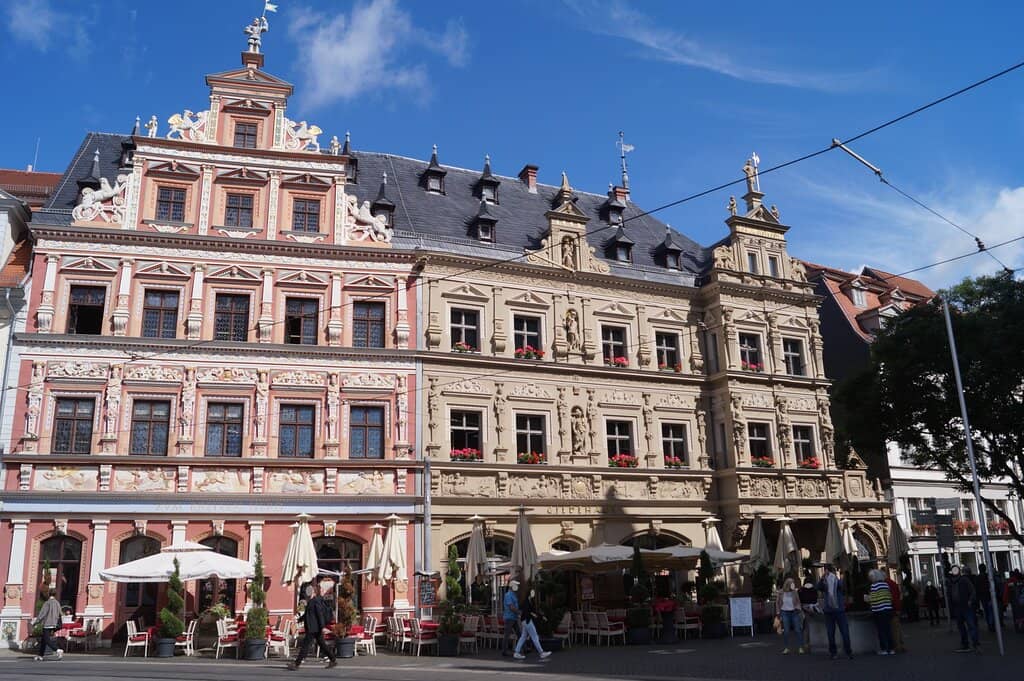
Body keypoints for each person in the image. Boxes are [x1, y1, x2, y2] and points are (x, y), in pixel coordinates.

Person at [287, 583, 337, 670]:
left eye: (309, 591)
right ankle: (333, 660)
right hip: (314, 628)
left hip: (313, 628)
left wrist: (322, 627)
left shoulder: (315, 601)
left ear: (313, 592)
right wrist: (300, 619)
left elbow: (319, 615)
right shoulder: (311, 601)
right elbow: (308, 614)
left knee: (305, 646)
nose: (307, 593)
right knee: (322, 644)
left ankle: (296, 664)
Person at [817, 564, 853, 660]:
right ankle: (841, 652)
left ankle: (843, 652)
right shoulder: (826, 583)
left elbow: (841, 586)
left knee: (838, 632)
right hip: (833, 610)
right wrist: (823, 579)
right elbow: (819, 587)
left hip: (835, 610)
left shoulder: (835, 582)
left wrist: (833, 578)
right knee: (835, 632)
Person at [513, 587, 551, 661]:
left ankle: (516, 652)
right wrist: (538, 616)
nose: (533, 594)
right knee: (534, 636)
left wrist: (541, 616)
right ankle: (541, 652)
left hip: (525, 621)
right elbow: (529, 612)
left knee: (523, 637)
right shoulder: (527, 602)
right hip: (527, 621)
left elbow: (533, 611)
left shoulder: (528, 601)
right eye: (532, 592)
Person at [948, 566, 980, 653]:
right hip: (957, 606)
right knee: (961, 626)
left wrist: (970, 600)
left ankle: (975, 644)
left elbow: (972, 590)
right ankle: (965, 644)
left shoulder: (964, 580)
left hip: (966, 605)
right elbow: (950, 594)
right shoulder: (951, 582)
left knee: (971, 625)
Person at [868, 569, 895, 655]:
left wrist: (868, 599)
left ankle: (884, 649)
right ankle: (891, 649)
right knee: (888, 629)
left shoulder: (874, 586)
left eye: (871, 577)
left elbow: (874, 599)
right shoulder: (885, 585)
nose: (870, 579)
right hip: (888, 609)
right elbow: (890, 596)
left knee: (881, 630)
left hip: (879, 610)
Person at [32, 589, 63, 661]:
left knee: (46, 639)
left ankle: (57, 650)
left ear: (49, 594)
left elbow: (42, 614)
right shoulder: (57, 603)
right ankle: (40, 655)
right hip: (54, 624)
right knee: (44, 639)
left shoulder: (47, 603)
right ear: (55, 594)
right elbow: (60, 613)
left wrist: (36, 622)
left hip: (47, 623)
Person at [776, 578, 805, 654]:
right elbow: (777, 602)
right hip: (785, 612)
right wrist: (778, 612)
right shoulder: (781, 592)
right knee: (786, 631)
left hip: (794, 612)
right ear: (787, 584)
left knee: (798, 630)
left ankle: (800, 647)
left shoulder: (794, 592)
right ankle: (786, 648)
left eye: (793, 583)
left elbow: (798, 601)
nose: (793, 584)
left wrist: (798, 609)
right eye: (791, 583)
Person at [884, 572, 905, 653]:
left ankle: (897, 646)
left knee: (894, 628)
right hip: (896, 607)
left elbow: (892, 597)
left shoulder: (887, 584)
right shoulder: (892, 583)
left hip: (892, 608)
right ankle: (900, 645)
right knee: (897, 628)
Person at [501, 581, 521, 657]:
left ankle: (523, 648)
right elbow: (511, 607)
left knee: (519, 633)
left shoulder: (513, 594)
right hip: (509, 617)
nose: (517, 587)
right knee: (507, 634)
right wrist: (518, 612)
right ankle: (504, 651)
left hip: (513, 617)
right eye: (516, 585)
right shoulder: (509, 595)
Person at [976, 565, 996, 632]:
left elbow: (977, 589)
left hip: (983, 597)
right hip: (989, 596)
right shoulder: (988, 576)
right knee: (990, 611)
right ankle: (991, 623)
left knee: (987, 611)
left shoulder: (978, 578)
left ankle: (990, 624)